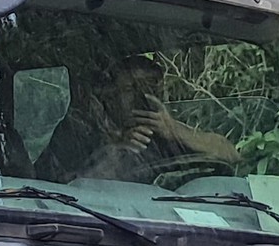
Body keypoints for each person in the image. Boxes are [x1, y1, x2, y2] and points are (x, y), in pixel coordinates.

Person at [35, 52, 240, 184]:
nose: (142, 96)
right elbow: (56, 186)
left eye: (152, 87)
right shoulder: (79, 131)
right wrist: (115, 147)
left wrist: (175, 131)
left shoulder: (168, 131)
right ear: (111, 96)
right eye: (130, 89)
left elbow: (230, 155)